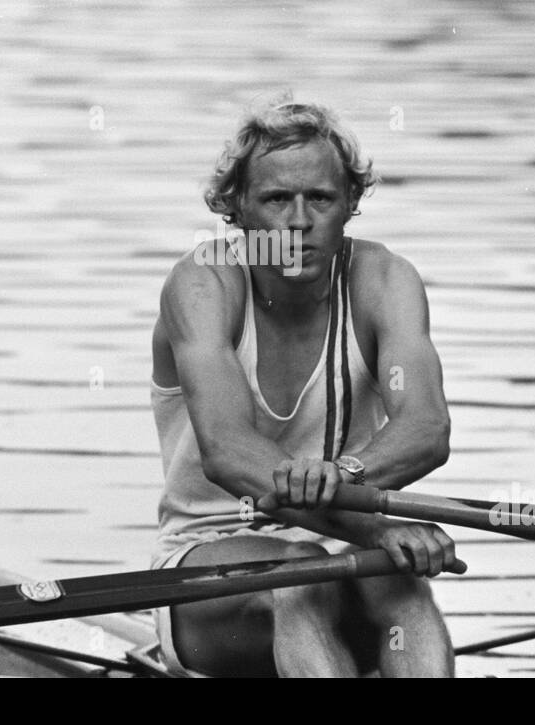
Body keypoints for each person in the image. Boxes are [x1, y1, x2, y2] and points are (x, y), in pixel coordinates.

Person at [149, 95, 463, 677]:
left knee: (405, 590)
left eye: (319, 198)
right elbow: (228, 453)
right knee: (301, 570)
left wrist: (346, 474)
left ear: (349, 203)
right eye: (275, 200)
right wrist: (379, 525)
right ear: (237, 208)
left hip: (352, 555)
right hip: (212, 567)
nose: (298, 222)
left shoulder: (385, 280)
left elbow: (427, 428)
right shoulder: (203, 285)